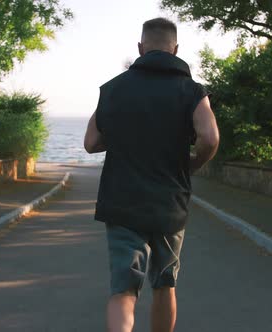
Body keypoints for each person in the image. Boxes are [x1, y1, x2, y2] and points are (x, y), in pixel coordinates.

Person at [83, 17, 220, 332]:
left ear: (141, 48)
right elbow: (210, 138)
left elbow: (90, 142)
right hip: (170, 202)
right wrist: (191, 165)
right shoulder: (193, 91)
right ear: (175, 49)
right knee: (164, 284)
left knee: (123, 291)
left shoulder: (114, 88)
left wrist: (122, 137)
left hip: (123, 202)